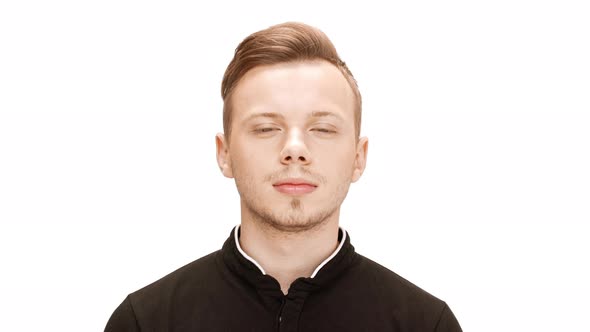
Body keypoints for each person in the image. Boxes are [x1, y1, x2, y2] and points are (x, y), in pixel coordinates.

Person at [105, 21, 462, 331]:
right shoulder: (145, 322)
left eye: (321, 128)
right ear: (224, 153)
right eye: (265, 128)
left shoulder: (425, 324)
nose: (295, 148)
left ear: (358, 157)